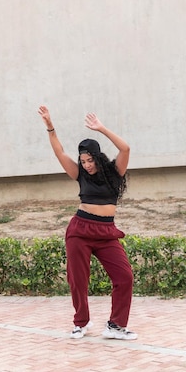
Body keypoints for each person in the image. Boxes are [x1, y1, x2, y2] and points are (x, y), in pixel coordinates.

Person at [37, 105, 137, 340]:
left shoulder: (115, 172)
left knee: (124, 276)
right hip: (80, 230)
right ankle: (81, 322)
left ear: (98, 157)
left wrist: (101, 128)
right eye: (83, 161)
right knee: (78, 279)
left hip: (106, 232)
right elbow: (60, 152)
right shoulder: (79, 174)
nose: (86, 165)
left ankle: (115, 325)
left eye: (90, 160)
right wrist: (50, 126)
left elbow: (126, 148)